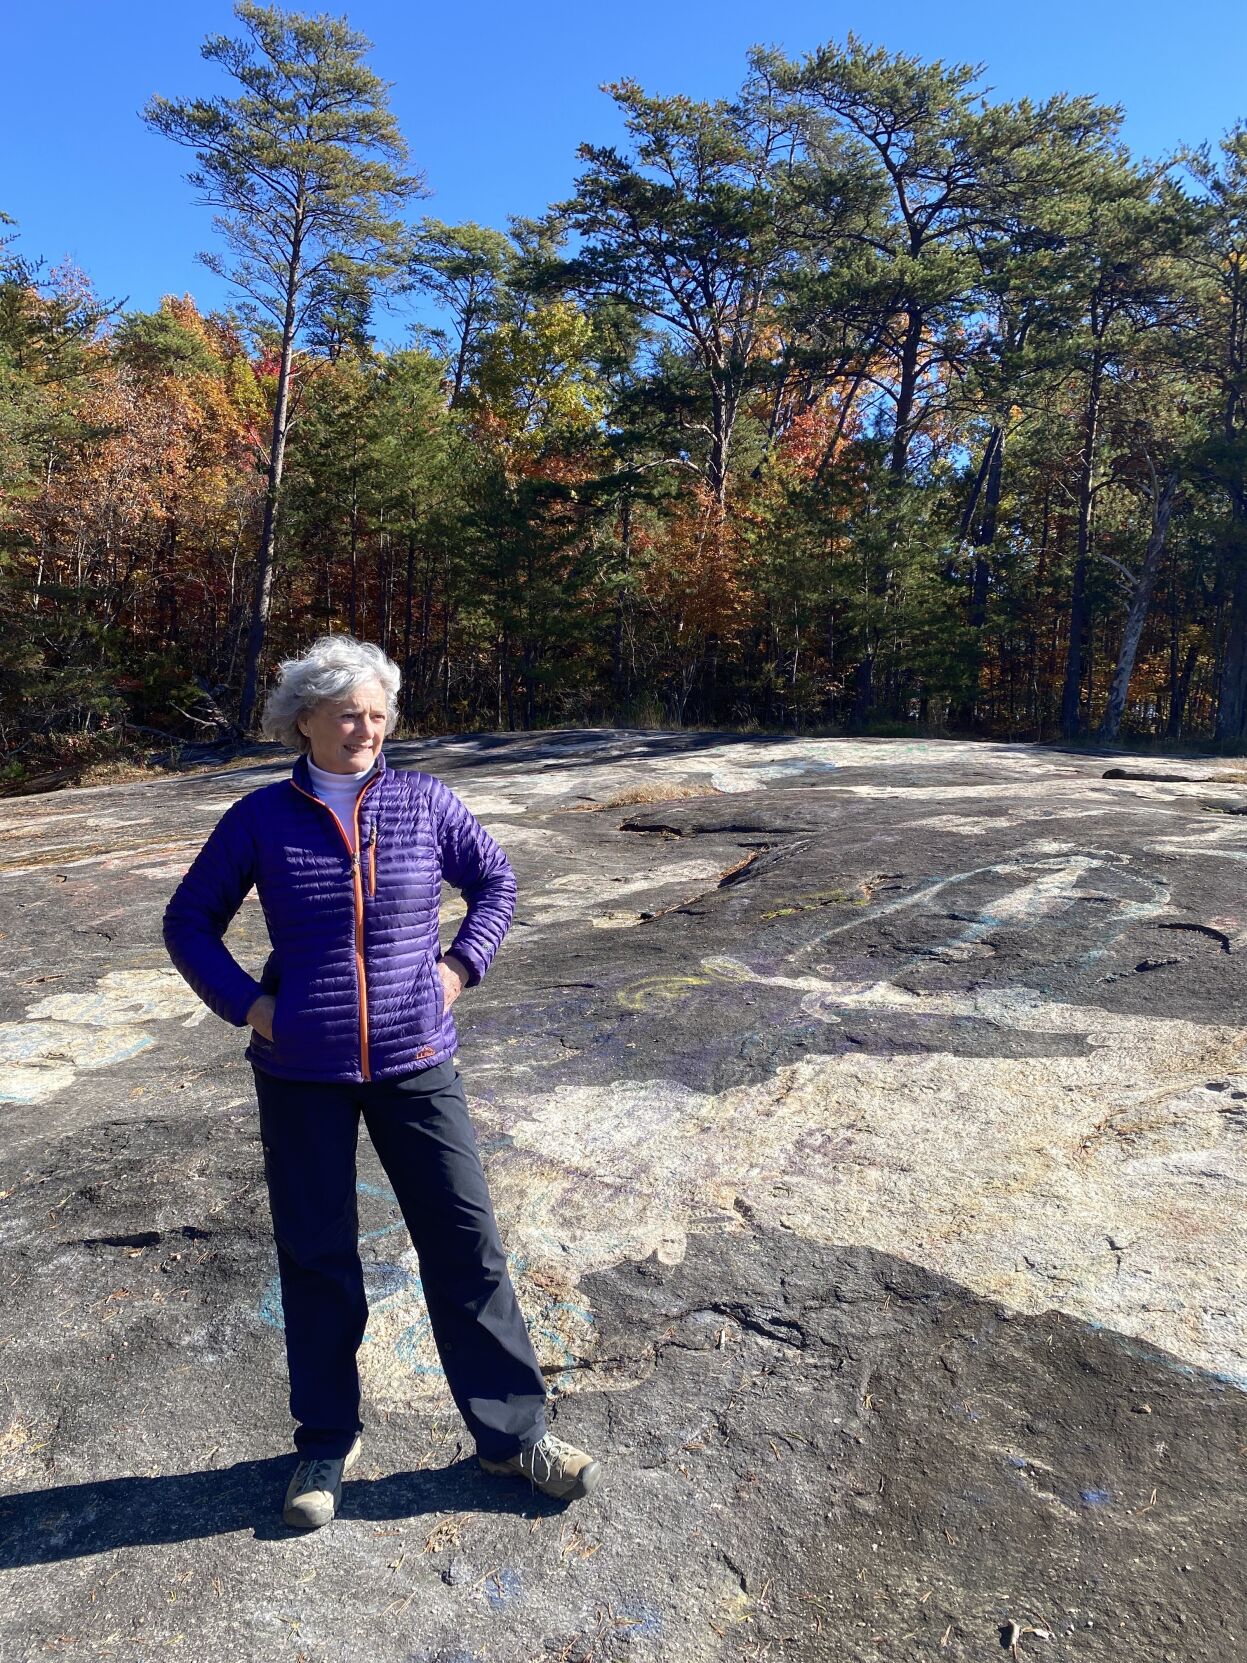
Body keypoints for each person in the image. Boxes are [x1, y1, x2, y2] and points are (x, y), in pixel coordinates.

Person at [162, 634, 600, 1528]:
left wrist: (458, 969)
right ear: (305, 721)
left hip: (415, 1063)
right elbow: (189, 921)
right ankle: (323, 1442)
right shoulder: (259, 817)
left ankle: (511, 1436)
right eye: (346, 713)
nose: (364, 728)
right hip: (302, 1071)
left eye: (377, 713)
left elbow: (497, 885)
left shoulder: (425, 801)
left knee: (466, 1242)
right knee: (317, 1257)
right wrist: (251, 1006)